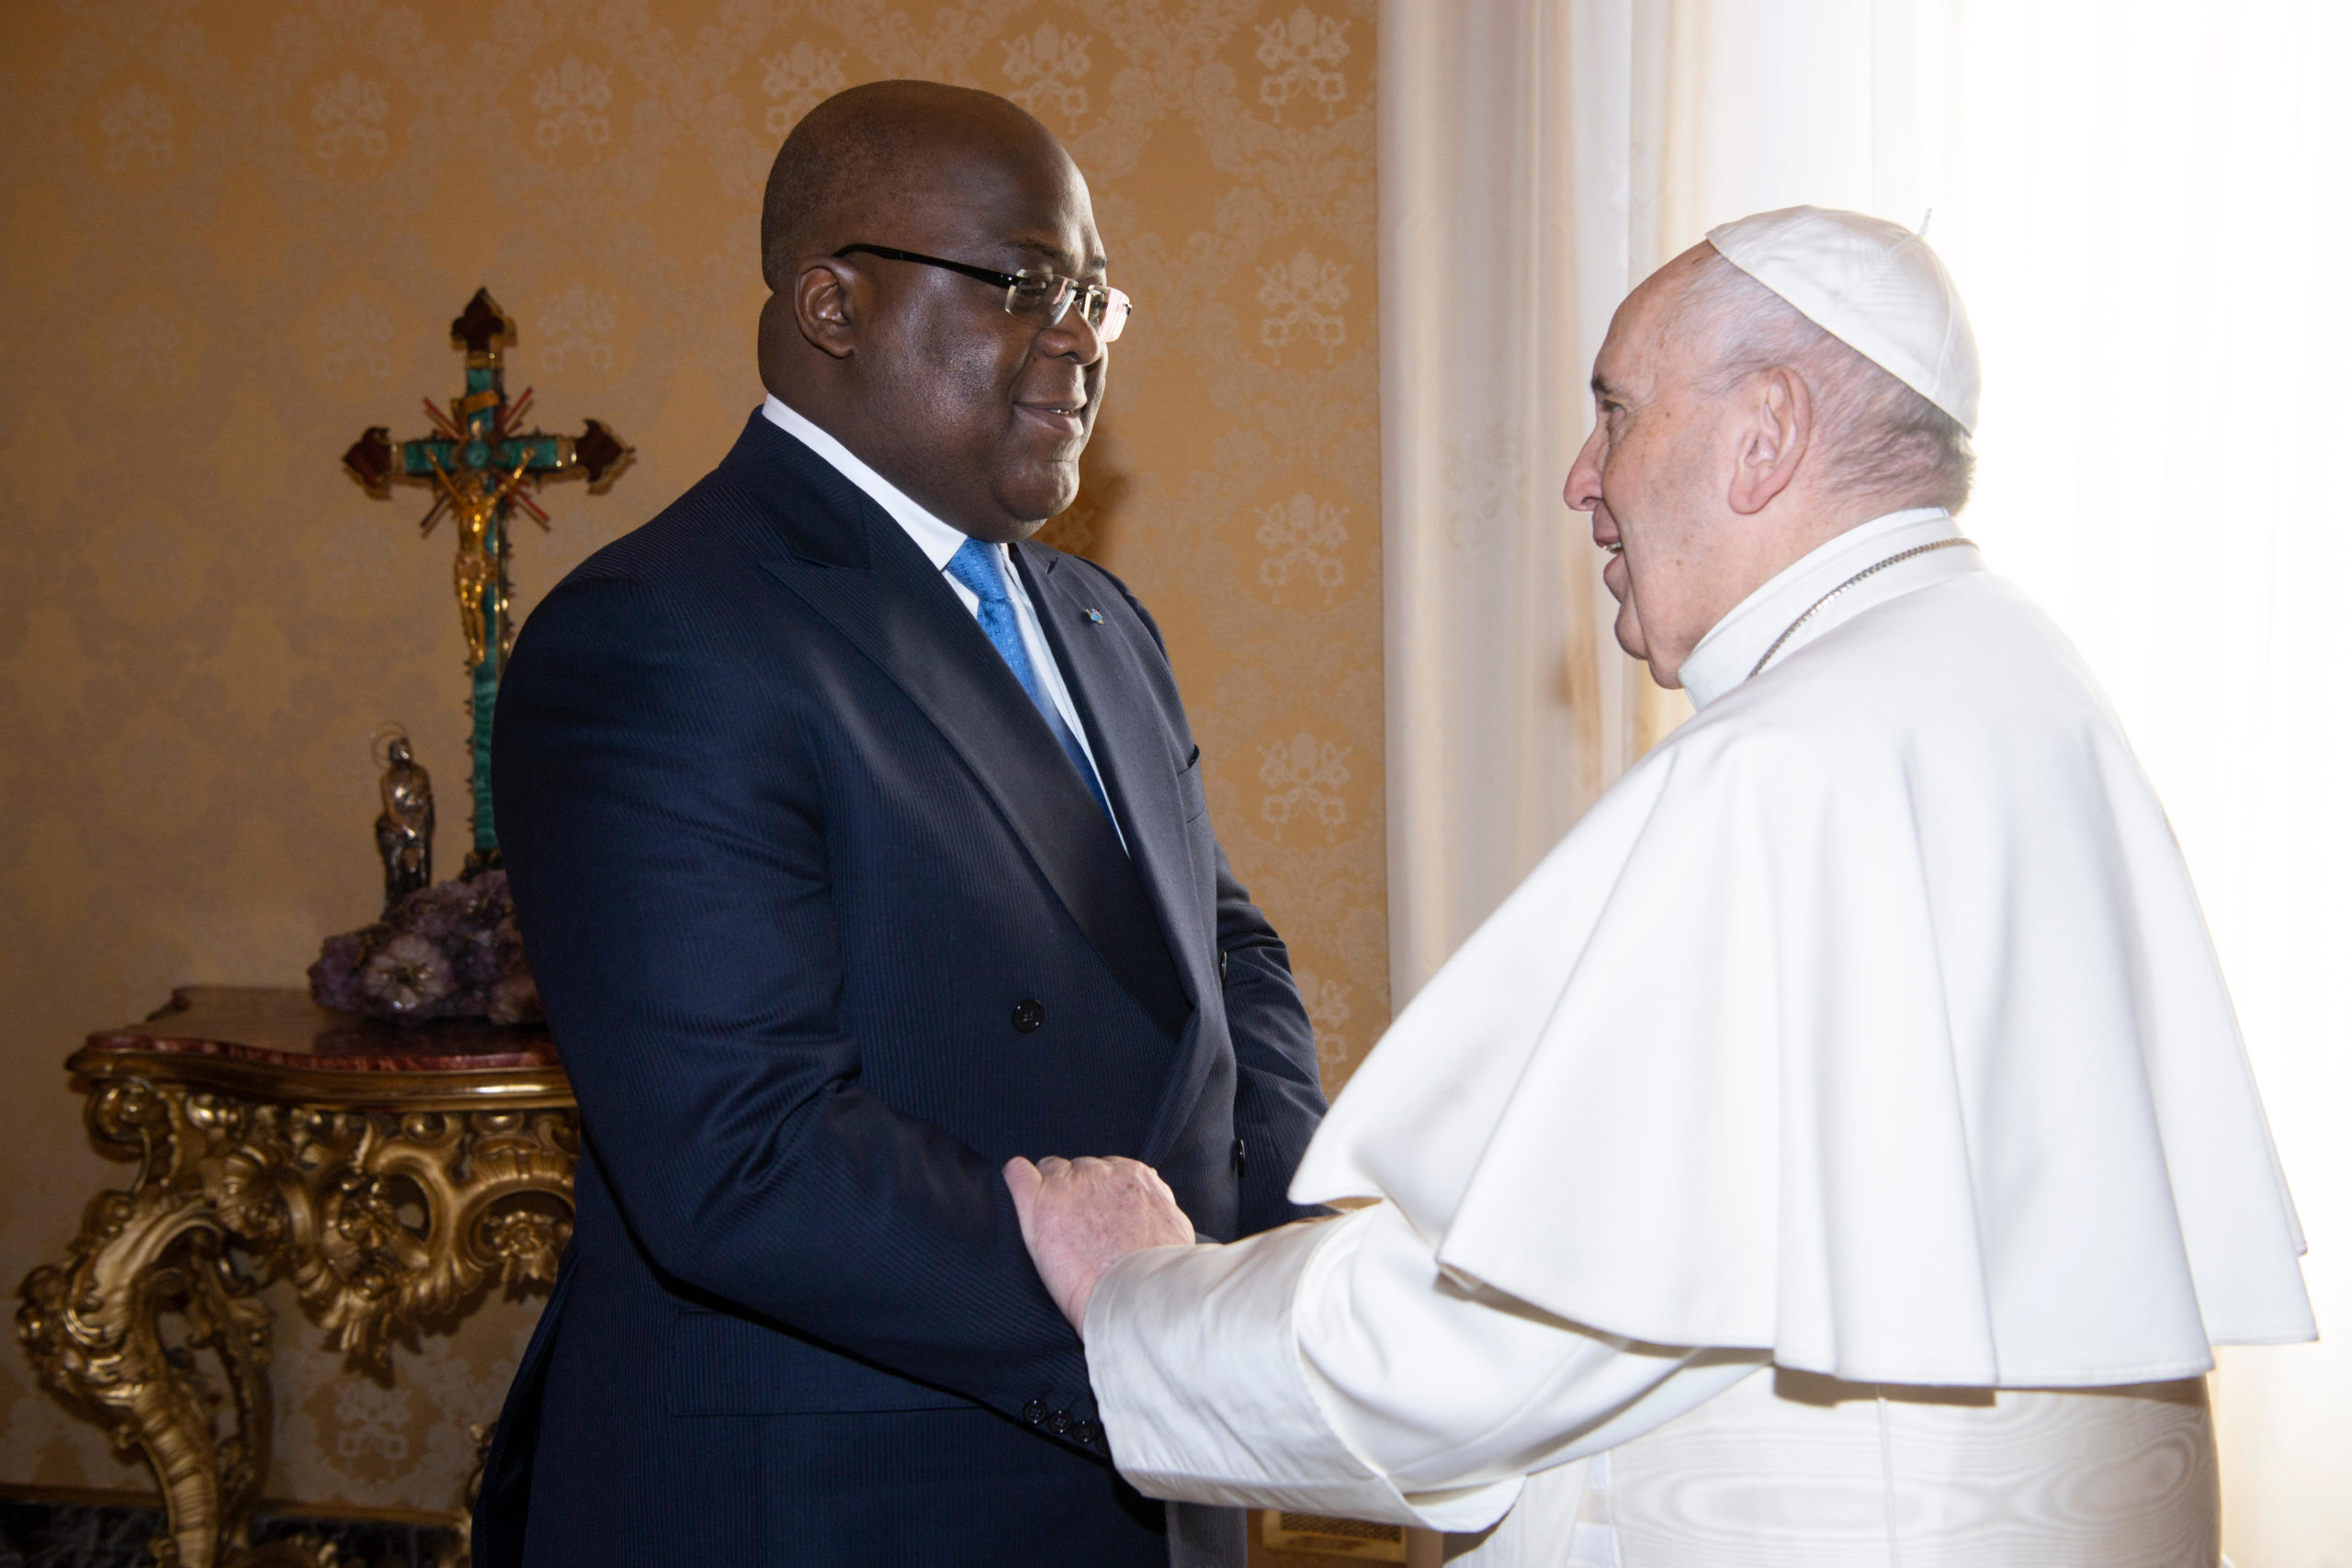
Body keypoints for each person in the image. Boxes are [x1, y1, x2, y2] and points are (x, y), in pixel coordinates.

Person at [1004, 207, 2317, 1566]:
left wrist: (1139, 1292)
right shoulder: (2012, 680)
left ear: (1767, 433)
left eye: (1617, 413)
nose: (1584, 480)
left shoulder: (1787, 767)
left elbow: (1475, 1353)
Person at [472, 81, 1327, 1568]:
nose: (1079, 339)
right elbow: (742, 1152)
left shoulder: (1097, 616)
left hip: (1160, 1453)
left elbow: (1220, 957)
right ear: (833, 304)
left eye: (1095, 298)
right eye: (1023, 285)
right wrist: (1138, 1309)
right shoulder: (659, 632)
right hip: (847, 1500)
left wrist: (1275, 1262)